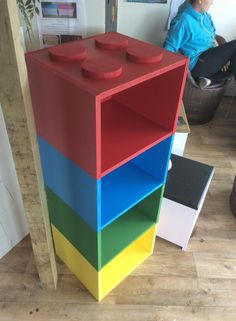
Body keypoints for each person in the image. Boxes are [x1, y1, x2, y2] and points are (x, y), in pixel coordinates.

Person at [164, 0, 236, 89]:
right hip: (198, 63)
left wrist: (224, 58)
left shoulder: (206, 16)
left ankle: (208, 80)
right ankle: (207, 78)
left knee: (234, 62)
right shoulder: (183, 20)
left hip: (209, 60)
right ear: (200, 1)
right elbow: (168, 49)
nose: (212, 3)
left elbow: (213, 38)